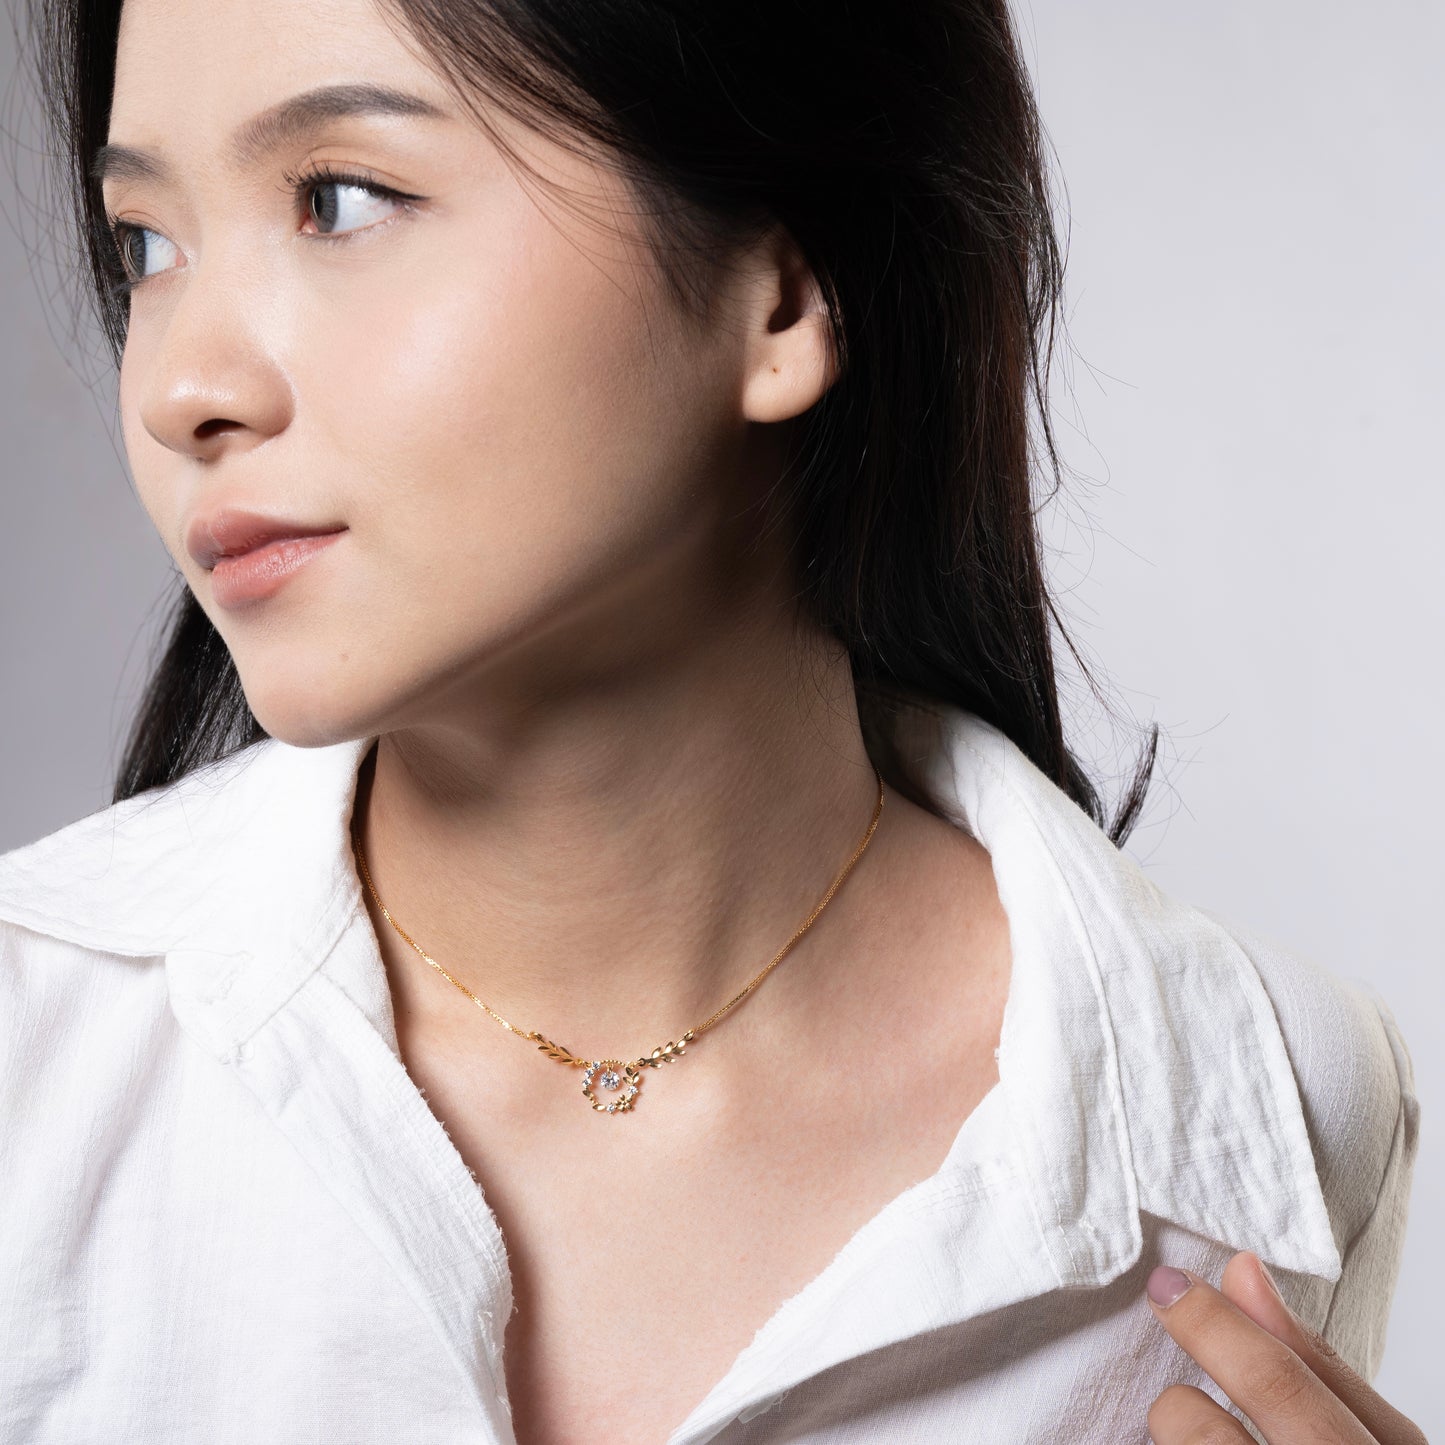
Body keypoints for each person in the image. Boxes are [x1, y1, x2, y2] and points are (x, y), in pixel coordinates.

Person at [0, 0, 1424, 1441]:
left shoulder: (1269, 1101)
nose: (183, 387)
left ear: (782, 300)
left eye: (342, 200)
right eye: (145, 246)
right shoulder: (37, 1056)